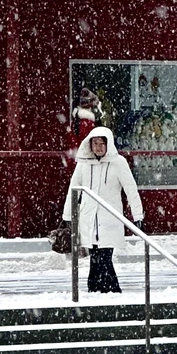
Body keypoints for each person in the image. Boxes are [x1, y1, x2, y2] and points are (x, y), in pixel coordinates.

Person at [63, 125, 143, 293]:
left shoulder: (118, 163)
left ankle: (106, 289)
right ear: (90, 145)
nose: (98, 147)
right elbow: (73, 189)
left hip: (109, 218)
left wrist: (137, 215)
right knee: (94, 256)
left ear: (108, 144)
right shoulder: (83, 164)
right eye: (95, 143)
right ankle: (100, 290)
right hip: (89, 218)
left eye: (102, 143)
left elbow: (130, 189)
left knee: (104, 256)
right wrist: (67, 215)